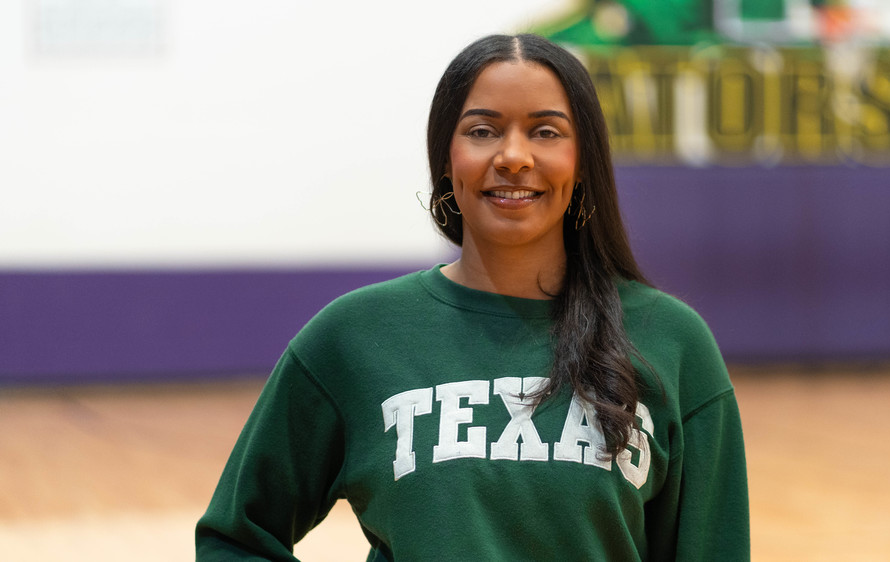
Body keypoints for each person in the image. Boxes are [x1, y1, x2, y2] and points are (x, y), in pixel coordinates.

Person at [195, 33, 749, 561]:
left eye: (546, 132)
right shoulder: (355, 337)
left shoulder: (671, 342)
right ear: (446, 157)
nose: (513, 156)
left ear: (583, 162)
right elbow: (236, 538)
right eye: (482, 131)